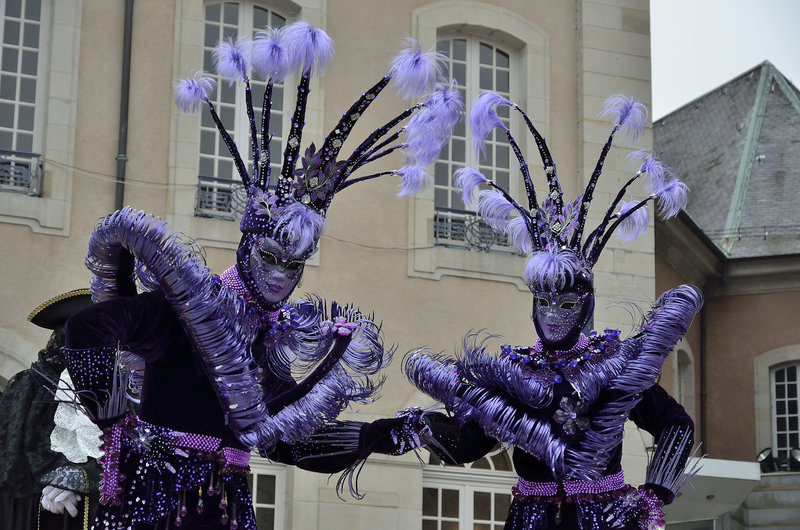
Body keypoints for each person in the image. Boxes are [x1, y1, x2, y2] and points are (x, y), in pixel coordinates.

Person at [59, 21, 459, 529]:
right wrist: (116, 420)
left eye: (293, 265)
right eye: (270, 257)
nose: (280, 276)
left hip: (226, 503)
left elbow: (286, 437)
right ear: (248, 247)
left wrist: (388, 434)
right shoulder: (183, 310)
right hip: (157, 496)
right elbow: (86, 329)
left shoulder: (269, 339)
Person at [402, 92, 703, 529]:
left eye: (567, 303)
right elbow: (467, 445)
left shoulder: (612, 366)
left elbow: (675, 422)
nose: (554, 314)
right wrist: (407, 429)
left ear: (585, 306)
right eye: (544, 302)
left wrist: (652, 494)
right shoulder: (515, 373)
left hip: (602, 518)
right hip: (530, 518)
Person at [0, 289, 101, 530]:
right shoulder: (27, 385)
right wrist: (56, 480)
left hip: (95, 509)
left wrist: (85, 476)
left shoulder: (122, 392)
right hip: (29, 509)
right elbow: (13, 460)